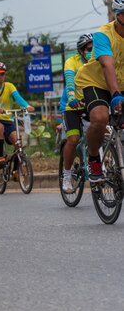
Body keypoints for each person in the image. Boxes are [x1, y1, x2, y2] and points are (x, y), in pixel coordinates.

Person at [75, 0, 124, 185]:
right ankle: (94, 160)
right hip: (96, 82)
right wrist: (116, 94)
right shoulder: (103, 35)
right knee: (100, 118)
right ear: (117, 15)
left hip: (120, 83)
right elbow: (107, 65)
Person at [0, 62, 35, 168]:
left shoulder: (9, 86)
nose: (0, 77)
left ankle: (16, 170)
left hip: (8, 120)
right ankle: (1, 157)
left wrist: (27, 106)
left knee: (18, 143)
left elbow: (18, 98)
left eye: (2, 74)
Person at [60, 33, 93, 193]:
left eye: (94, 49)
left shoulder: (97, 61)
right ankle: (66, 176)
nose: (92, 52)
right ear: (81, 51)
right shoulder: (71, 62)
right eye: (89, 49)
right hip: (73, 106)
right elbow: (70, 80)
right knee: (73, 139)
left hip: (91, 104)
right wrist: (72, 96)